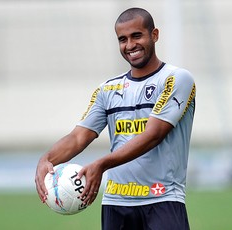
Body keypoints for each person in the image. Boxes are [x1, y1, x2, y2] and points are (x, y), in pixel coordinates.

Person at [35, 7, 196, 230]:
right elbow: (79, 137)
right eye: (123, 39)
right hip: (116, 204)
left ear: (155, 35)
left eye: (136, 35)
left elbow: (154, 134)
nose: (130, 45)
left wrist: (102, 164)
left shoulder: (176, 79)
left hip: (163, 199)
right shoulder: (108, 89)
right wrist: (48, 159)